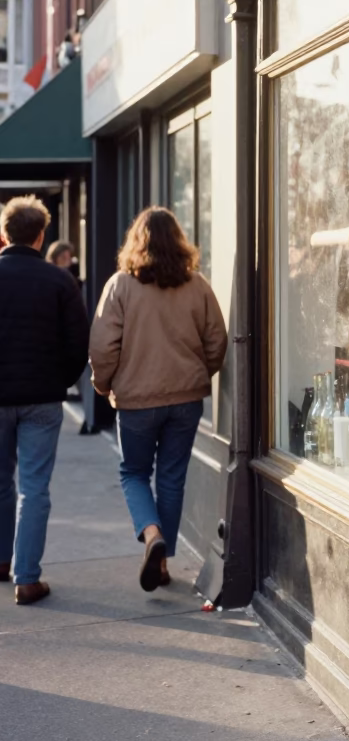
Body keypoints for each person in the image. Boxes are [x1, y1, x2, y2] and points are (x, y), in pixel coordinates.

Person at [89, 207, 227, 591]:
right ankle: (162, 563)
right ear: (178, 242)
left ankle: (152, 536)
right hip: (185, 400)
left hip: (135, 401)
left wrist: (104, 386)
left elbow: (102, 347)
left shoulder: (120, 285)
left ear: (137, 242)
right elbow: (217, 340)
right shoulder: (196, 284)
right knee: (171, 478)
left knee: (134, 472)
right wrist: (200, 375)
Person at [0, 196, 90, 605]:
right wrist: (61, 381)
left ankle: (3, 560)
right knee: (34, 488)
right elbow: (78, 343)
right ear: (41, 236)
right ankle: (27, 578)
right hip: (42, 400)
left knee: (0, 483)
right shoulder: (60, 281)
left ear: (5, 234)